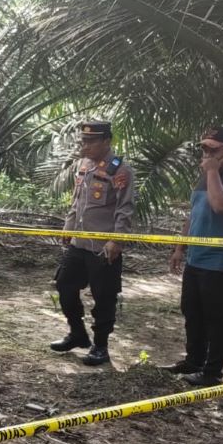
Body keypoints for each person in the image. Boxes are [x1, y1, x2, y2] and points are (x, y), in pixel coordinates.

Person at [163, 127, 223, 386]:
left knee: (216, 318)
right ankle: (193, 361)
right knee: (192, 311)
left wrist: (213, 171)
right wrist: (180, 248)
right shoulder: (205, 177)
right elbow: (194, 213)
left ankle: (212, 372)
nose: (207, 154)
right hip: (197, 258)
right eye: (204, 148)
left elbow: (221, 206)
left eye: (213, 149)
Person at [50, 121, 136, 366]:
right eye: (83, 140)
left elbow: (125, 208)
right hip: (79, 243)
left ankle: (101, 346)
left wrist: (116, 240)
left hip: (102, 246)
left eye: (91, 141)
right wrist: (68, 224)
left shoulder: (120, 170)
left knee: (104, 297)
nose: (84, 145)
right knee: (64, 286)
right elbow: (76, 202)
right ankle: (77, 334)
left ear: (107, 142)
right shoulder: (83, 165)